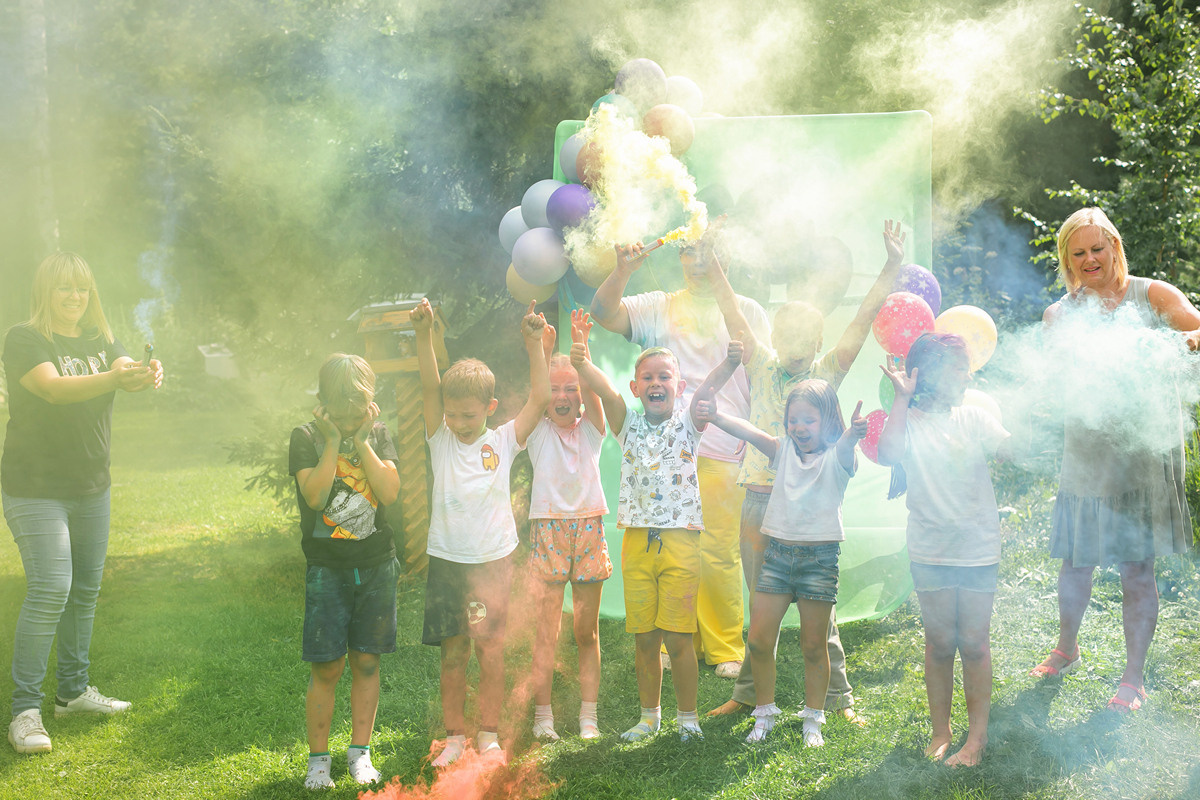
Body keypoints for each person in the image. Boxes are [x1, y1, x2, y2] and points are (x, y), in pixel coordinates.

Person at [707, 220, 906, 721]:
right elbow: (732, 314)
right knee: (760, 611)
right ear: (773, 335)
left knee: (823, 613)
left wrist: (891, 266)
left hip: (813, 509)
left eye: (807, 336)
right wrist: (711, 262)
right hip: (760, 501)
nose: (796, 343)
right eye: (786, 333)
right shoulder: (760, 367)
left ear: (820, 341)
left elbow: (862, 321)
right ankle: (748, 695)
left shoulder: (825, 374)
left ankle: (838, 698)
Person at [1028, 207, 1199, 713]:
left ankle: (1133, 678)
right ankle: (1067, 648)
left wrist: (1175, 342)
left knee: (1135, 569)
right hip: (1086, 453)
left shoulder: (1155, 295)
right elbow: (1055, 382)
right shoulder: (1059, 314)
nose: (1089, 260)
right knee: (1075, 562)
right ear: (1067, 260)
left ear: (1115, 248)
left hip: (1144, 457)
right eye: (1077, 253)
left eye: (1096, 250)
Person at [590, 230, 770, 678]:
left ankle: (726, 646)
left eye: (707, 253)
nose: (697, 262)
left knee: (718, 551)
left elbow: (761, 372)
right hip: (666, 452)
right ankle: (677, 640)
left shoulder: (746, 311)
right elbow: (603, 313)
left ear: (724, 258)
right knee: (672, 549)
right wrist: (623, 270)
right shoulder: (662, 305)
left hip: (726, 449)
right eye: (689, 252)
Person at [3, 253, 162, 755]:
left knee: (85, 590)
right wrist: (118, 378)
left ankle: (72, 692)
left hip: (92, 484)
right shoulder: (24, 338)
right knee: (52, 587)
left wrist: (142, 371)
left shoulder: (99, 338)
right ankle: (24, 711)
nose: (75, 298)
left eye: (83, 289)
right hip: (35, 486)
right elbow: (52, 389)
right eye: (64, 289)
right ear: (44, 292)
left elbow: (121, 366)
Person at [695, 365, 866, 746]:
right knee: (757, 639)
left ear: (828, 420)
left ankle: (813, 720)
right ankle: (765, 713)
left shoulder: (838, 457)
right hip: (778, 556)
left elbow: (846, 449)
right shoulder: (783, 449)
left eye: (809, 420)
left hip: (819, 562)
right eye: (793, 420)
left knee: (812, 645)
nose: (799, 427)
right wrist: (715, 414)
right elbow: (751, 432)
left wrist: (853, 434)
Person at [411, 298, 549, 766]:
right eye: (453, 414)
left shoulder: (504, 439)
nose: (459, 423)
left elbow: (540, 400)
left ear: (489, 408)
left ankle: (488, 736)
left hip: (492, 562)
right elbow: (430, 388)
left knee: (490, 652)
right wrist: (424, 335)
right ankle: (454, 740)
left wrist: (535, 346)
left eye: (469, 415)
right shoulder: (440, 439)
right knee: (454, 655)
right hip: (448, 561)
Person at [878, 333, 1018, 767]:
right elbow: (888, 453)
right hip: (930, 550)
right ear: (933, 375)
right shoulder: (910, 421)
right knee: (939, 643)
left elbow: (1014, 450)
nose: (967, 374)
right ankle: (942, 732)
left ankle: (976, 741)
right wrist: (901, 399)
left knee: (974, 644)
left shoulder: (974, 418)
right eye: (958, 367)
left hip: (977, 549)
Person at [571, 343, 713, 742]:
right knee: (646, 638)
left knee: (679, 638)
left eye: (664, 377)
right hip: (637, 542)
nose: (656, 383)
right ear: (635, 387)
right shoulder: (628, 425)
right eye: (647, 378)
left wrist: (730, 362)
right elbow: (608, 394)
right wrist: (583, 362)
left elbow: (707, 393)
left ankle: (689, 719)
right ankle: (649, 717)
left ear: (679, 386)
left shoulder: (687, 425)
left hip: (681, 541)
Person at [289, 354, 400, 789]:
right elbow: (316, 498)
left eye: (360, 409)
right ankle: (318, 762)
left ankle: (360, 754)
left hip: (375, 567)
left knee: (367, 661)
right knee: (327, 667)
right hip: (328, 570)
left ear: (370, 402)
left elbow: (389, 491)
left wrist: (365, 440)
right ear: (323, 402)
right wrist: (334, 440)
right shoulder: (305, 438)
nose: (352, 417)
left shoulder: (379, 434)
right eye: (342, 409)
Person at [526, 309, 612, 741]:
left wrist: (581, 355)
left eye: (570, 389)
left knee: (585, 630)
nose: (562, 395)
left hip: (589, 530)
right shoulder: (537, 433)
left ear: (580, 396)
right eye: (555, 388)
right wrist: (542, 348)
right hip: (550, 531)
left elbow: (594, 391)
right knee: (548, 628)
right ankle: (543, 718)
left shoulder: (592, 431)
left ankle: (588, 717)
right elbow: (538, 390)